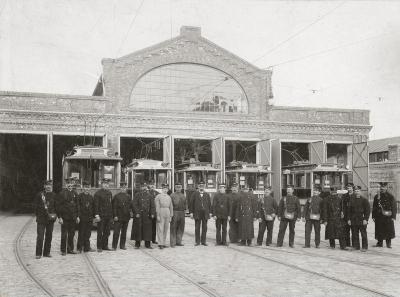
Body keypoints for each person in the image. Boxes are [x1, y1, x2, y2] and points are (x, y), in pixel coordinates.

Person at [56, 177, 80, 255]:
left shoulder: (75, 193)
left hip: (73, 217)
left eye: (71, 184)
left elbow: (77, 206)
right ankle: (63, 250)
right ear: (66, 184)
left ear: (73, 184)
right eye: (68, 184)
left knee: (71, 234)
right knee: (64, 235)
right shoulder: (62, 193)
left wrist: (77, 216)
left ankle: (70, 249)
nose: (70, 185)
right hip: (64, 218)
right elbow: (58, 206)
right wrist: (59, 217)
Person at [35, 180, 57, 259]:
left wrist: (55, 216)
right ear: (44, 186)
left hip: (50, 219)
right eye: (47, 185)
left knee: (49, 236)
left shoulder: (54, 195)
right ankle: (38, 253)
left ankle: (46, 252)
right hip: (41, 219)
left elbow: (56, 206)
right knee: (40, 236)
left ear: (51, 186)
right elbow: (36, 207)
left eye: (50, 185)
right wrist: (38, 215)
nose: (48, 186)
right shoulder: (40, 195)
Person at [372, 182, 397, 248]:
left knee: (388, 230)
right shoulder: (377, 196)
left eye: (384, 187)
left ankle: (388, 244)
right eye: (381, 187)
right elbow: (374, 206)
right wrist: (373, 216)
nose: (382, 189)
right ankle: (380, 243)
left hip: (387, 216)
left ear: (386, 188)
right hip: (379, 216)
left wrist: (393, 216)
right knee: (379, 229)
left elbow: (394, 207)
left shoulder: (390, 196)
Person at [131, 183, 156, 248]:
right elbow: (134, 204)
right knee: (138, 229)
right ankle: (137, 244)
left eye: (145, 187)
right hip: (139, 215)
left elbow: (152, 206)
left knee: (147, 230)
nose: (144, 188)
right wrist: (136, 213)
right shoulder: (137, 195)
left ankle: (147, 244)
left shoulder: (150, 196)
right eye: (142, 187)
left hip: (147, 215)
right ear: (140, 188)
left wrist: (152, 213)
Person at [348, 186, 370, 252]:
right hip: (354, 219)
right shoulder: (352, 200)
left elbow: (367, 211)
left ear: (360, 191)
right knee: (354, 233)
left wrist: (366, 219)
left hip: (361, 219)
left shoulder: (364, 200)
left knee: (363, 234)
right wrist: (349, 219)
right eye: (355, 191)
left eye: (358, 191)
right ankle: (355, 246)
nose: (356, 192)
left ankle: (364, 247)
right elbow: (349, 211)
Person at [189, 181, 212, 246]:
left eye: (202, 185)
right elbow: (191, 204)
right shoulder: (194, 194)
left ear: (204, 186)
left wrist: (210, 212)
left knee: (205, 228)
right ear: (198, 186)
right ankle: (197, 241)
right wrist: (191, 212)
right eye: (200, 185)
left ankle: (203, 241)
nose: (201, 186)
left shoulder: (207, 194)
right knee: (197, 227)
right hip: (197, 213)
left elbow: (209, 204)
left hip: (205, 213)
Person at [93, 178, 113, 252]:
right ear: (102, 184)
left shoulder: (109, 193)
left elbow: (110, 205)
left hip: (108, 215)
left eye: (107, 184)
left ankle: (105, 245)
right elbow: (96, 205)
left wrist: (111, 215)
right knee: (100, 232)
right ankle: (99, 246)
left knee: (107, 232)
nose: (106, 185)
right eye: (104, 184)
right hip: (101, 216)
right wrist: (97, 215)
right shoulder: (98, 193)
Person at [112, 181, 132, 250]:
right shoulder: (116, 196)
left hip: (126, 217)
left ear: (126, 188)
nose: (123, 189)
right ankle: (114, 246)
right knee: (116, 232)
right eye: (122, 188)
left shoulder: (128, 196)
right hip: (118, 217)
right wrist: (115, 215)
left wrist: (130, 213)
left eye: (124, 188)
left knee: (124, 232)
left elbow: (130, 206)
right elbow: (114, 207)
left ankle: (122, 245)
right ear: (120, 188)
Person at [77, 181, 94, 253]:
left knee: (88, 233)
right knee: (81, 233)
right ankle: (79, 247)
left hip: (89, 218)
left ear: (90, 188)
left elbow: (93, 207)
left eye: (88, 187)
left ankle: (87, 247)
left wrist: (93, 216)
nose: (87, 189)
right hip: (82, 217)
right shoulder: (80, 196)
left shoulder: (91, 197)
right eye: (85, 187)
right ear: (83, 188)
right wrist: (78, 216)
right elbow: (78, 207)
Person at [155, 183, 174, 249]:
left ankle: (163, 242)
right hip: (161, 211)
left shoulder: (169, 197)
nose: (165, 190)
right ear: (162, 189)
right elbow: (157, 206)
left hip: (167, 212)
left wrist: (171, 216)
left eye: (166, 189)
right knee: (160, 228)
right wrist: (157, 215)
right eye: (164, 189)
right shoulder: (158, 196)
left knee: (165, 229)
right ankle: (160, 243)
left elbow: (171, 207)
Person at [170, 182, 186, 247]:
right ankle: (173, 243)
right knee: (173, 227)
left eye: (179, 187)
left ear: (181, 188)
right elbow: (170, 205)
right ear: (175, 188)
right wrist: (171, 213)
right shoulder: (172, 195)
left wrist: (185, 210)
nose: (178, 188)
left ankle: (178, 241)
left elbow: (185, 204)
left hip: (182, 212)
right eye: (177, 187)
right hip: (175, 212)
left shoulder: (183, 195)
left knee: (181, 227)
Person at [342, 183, 354, 247]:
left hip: (354, 215)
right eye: (348, 188)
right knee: (346, 230)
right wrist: (342, 212)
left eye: (350, 188)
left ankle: (354, 244)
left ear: (353, 188)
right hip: (346, 215)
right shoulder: (344, 196)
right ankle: (347, 244)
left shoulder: (355, 195)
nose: (349, 189)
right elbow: (342, 205)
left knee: (354, 230)